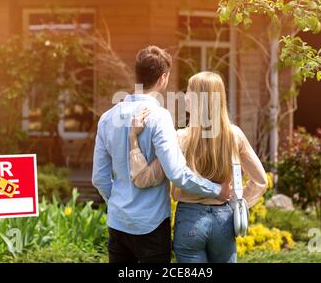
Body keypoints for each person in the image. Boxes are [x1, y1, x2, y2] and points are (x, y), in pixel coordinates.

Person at [92, 46, 232, 263]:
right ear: (163, 78)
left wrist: (119, 203)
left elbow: (99, 179)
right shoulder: (160, 117)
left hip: (118, 225)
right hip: (152, 226)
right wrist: (216, 190)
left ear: (136, 74)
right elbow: (177, 174)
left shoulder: (107, 118)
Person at [129, 71, 268, 263]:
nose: (185, 97)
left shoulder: (179, 138)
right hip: (224, 219)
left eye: (189, 92)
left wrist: (133, 141)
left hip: (189, 220)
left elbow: (145, 178)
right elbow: (260, 180)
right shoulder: (234, 135)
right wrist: (239, 203)